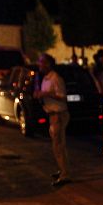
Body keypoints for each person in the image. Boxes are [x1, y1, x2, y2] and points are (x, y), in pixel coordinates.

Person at [34, 53, 71, 187]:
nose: (39, 65)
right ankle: (62, 169)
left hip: (59, 115)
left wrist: (47, 94)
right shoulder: (45, 79)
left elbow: (62, 97)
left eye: (41, 62)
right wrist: (39, 95)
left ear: (48, 64)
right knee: (57, 145)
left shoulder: (56, 78)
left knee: (58, 145)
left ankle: (65, 174)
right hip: (52, 115)